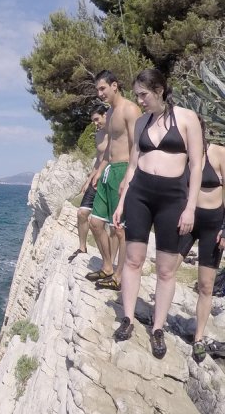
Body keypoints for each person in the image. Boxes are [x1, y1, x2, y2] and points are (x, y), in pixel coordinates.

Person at [112, 69, 203, 358]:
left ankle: (158, 329)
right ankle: (127, 319)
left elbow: (196, 166)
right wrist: (122, 201)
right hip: (139, 194)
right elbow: (131, 166)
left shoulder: (187, 118)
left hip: (172, 199)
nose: (140, 101)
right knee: (133, 260)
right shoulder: (140, 123)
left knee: (165, 269)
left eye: (144, 95)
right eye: (137, 95)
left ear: (160, 90)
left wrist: (190, 207)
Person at [85, 71, 141, 290]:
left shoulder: (130, 109)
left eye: (103, 89)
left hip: (124, 170)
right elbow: (110, 146)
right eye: (98, 90)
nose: (100, 94)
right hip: (109, 170)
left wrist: (129, 176)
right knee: (95, 222)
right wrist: (100, 169)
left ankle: (119, 276)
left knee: (119, 228)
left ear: (115, 85)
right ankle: (107, 266)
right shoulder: (111, 113)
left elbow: (137, 145)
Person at [177, 123, 225, 362]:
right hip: (186, 222)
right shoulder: (182, 157)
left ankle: (198, 338)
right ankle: (157, 324)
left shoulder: (218, 153)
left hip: (213, 227)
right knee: (166, 270)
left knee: (206, 286)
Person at [69, 104, 110, 262]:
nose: (95, 123)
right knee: (82, 213)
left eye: (97, 119)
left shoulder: (115, 133)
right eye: (93, 120)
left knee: (108, 224)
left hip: (109, 177)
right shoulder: (99, 135)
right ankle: (82, 247)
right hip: (96, 178)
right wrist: (88, 179)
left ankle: (108, 260)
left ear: (105, 115)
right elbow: (99, 160)